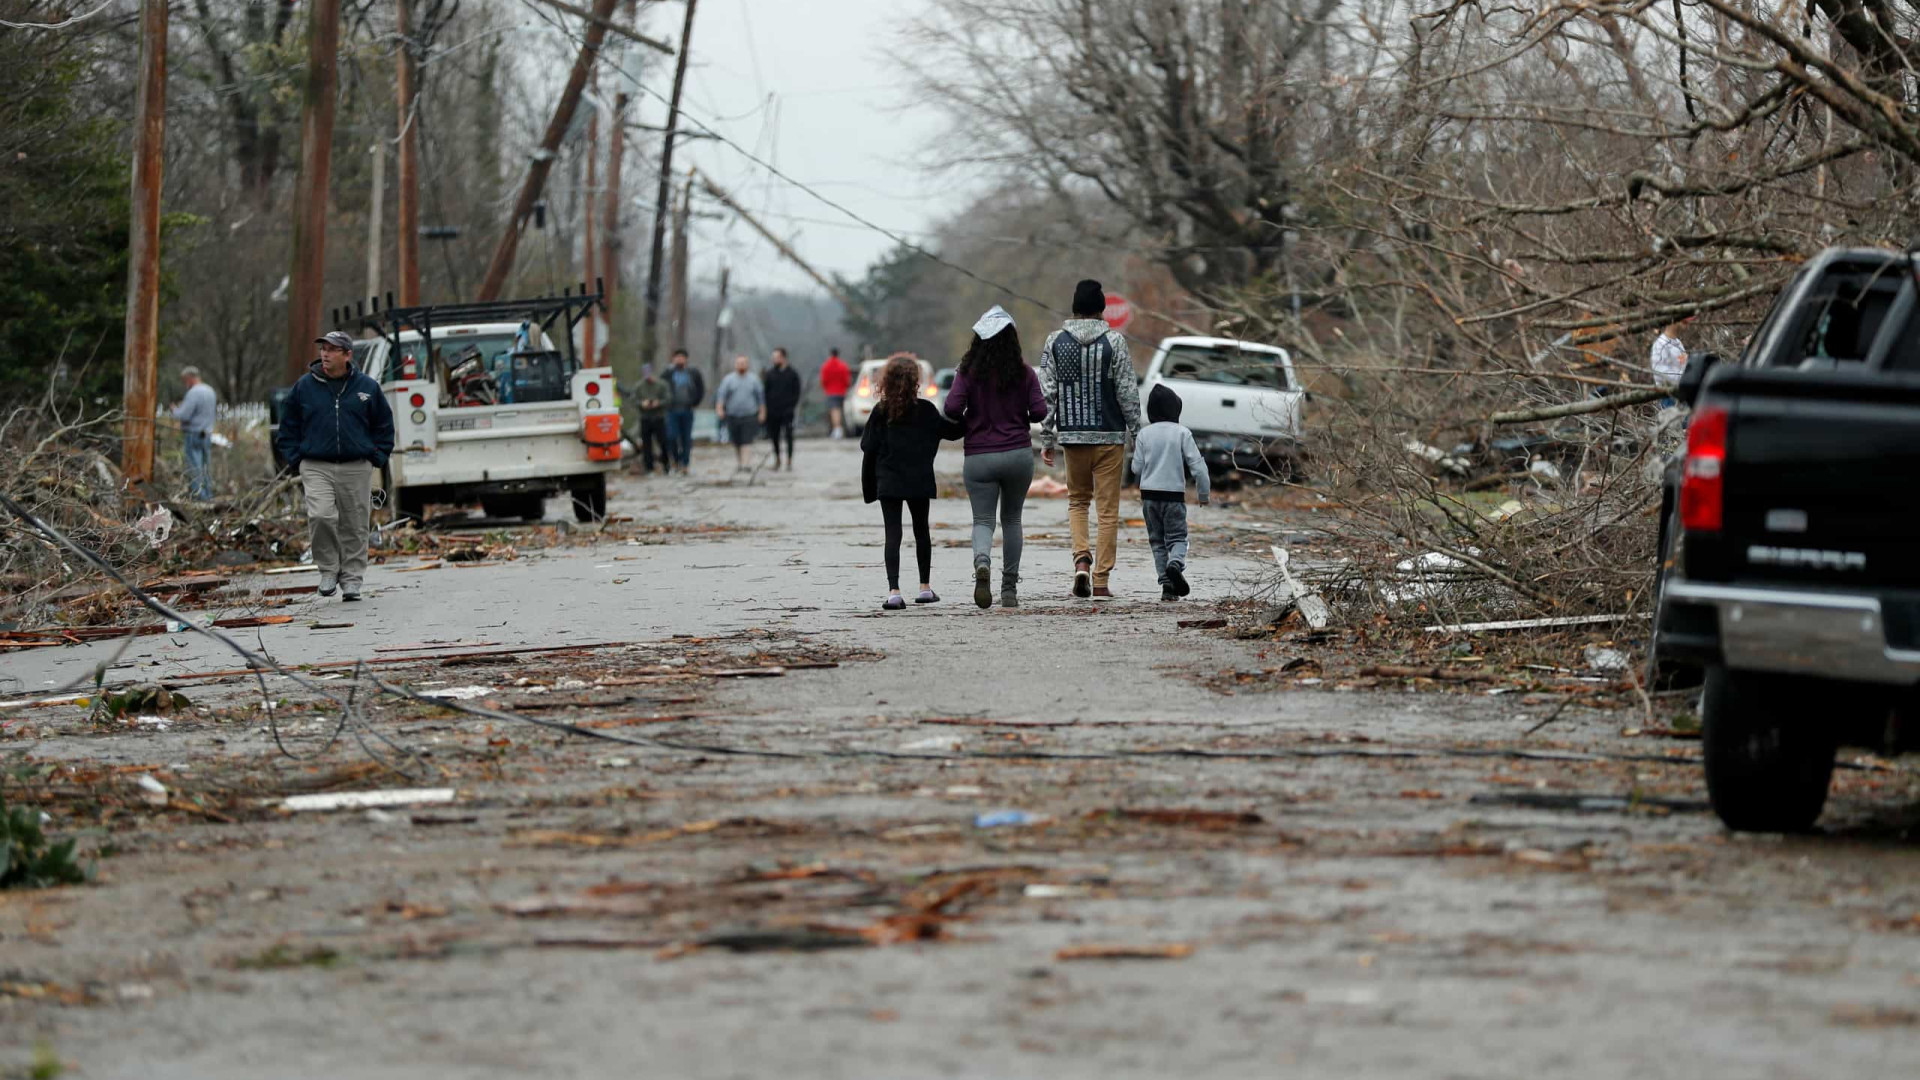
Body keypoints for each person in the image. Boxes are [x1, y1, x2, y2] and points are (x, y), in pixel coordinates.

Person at [1038, 278, 1140, 601]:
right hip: (1110, 438)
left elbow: (1047, 395)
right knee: (1108, 510)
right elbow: (1127, 392)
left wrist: (1047, 437)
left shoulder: (1055, 342)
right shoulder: (1115, 342)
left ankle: (1081, 560)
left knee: (1078, 501)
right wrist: (1137, 433)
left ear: (1074, 308)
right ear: (1101, 309)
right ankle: (1100, 581)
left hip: (1072, 437)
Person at [275, 331, 394, 602]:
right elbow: (288, 426)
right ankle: (329, 569)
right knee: (321, 516)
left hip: (356, 465)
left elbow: (384, 425)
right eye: (323, 349)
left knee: (355, 525)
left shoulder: (367, 388)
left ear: (347, 355)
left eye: (332, 349)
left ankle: (352, 579)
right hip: (316, 465)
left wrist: (377, 456)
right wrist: (296, 459)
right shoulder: (304, 387)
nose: (325, 354)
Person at [944, 305, 1047, 609]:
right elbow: (1041, 412)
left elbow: (950, 408)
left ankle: (982, 562)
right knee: (1012, 519)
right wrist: (1020, 414)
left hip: (979, 456)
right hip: (1017, 454)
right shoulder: (1024, 372)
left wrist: (970, 416)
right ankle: (1010, 590)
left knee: (983, 520)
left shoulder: (968, 372)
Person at [861, 353, 963, 610]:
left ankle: (894, 592)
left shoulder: (880, 411)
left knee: (892, 533)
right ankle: (925, 588)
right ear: (915, 380)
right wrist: (970, 408)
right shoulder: (926, 410)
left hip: (889, 480)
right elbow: (953, 432)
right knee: (921, 531)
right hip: (919, 479)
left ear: (886, 381)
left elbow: (867, 446)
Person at [1132, 384, 1210, 602]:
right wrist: (1203, 494)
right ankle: (1175, 564)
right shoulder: (1182, 433)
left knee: (1157, 542)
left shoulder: (1144, 434)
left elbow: (1136, 468)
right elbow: (1198, 467)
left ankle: (1167, 586)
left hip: (1148, 496)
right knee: (1177, 538)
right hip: (1173, 496)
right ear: (1175, 410)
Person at [171, 366, 218, 501]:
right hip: (207, 434)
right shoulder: (210, 390)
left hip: (193, 434)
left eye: (185, 380)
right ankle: (208, 495)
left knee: (194, 467)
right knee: (205, 466)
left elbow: (184, 415)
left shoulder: (194, 393)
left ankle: (199, 497)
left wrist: (175, 410)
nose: (185, 384)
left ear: (190, 378)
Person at [715, 353, 766, 471]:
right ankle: (740, 462)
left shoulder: (754, 379)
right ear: (735, 365)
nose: (741, 365)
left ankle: (746, 464)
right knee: (736, 441)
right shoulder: (728, 380)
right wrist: (720, 409)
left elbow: (761, 398)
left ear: (747, 365)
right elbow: (721, 396)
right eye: (739, 363)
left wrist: (762, 412)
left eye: (743, 363)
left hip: (749, 414)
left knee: (746, 440)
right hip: (732, 415)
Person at [663, 349, 705, 474]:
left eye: (682, 357)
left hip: (687, 410)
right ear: (673, 359)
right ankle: (675, 461)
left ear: (686, 359)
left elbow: (700, 388)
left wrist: (695, 402)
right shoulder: (667, 373)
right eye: (677, 357)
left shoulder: (693, 373)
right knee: (672, 437)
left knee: (686, 438)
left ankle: (685, 464)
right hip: (672, 411)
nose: (679, 360)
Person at [762, 347, 803, 470]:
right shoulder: (769, 374)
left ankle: (789, 460)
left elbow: (797, 392)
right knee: (774, 436)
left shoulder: (793, 374)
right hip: (773, 411)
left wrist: (791, 406)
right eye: (773, 357)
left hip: (787, 411)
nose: (774, 359)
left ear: (784, 357)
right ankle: (777, 459)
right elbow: (765, 392)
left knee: (789, 435)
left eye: (777, 357)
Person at [632, 363, 672, 476]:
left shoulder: (662, 385)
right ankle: (649, 468)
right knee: (646, 445)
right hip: (645, 418)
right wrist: (642, 404)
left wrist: (658, 403)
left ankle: (666, 465)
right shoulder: (639, 386)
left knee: (663, 442)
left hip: (659, 417)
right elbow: (634, 400)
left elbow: (668, 398)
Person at [819, 347, 852, 438]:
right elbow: (847, 380)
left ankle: (837, 429)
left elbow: (824, 380)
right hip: (842, 391)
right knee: (840, 410)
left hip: (831, 391)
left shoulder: (826, 366)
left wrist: (826, 388)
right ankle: (840, 429)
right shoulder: (843, 365)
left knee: (834, 410)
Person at [1650, 318, 1690, 393]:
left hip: (1682, 393)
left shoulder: (1679, 343)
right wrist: (1685, 378)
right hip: (1667, 396)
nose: (1688, 322)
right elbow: (1661, 375)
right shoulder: (1660, 344)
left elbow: (1684, 364)